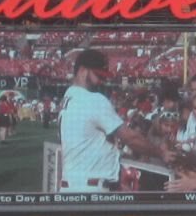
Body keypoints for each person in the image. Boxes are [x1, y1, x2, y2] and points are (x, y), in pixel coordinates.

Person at [60, 48, 165, 192]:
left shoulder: (68, 97)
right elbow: (131, 138)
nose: (101, 81)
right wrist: (161, 153)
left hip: (71, 186)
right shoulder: (93, 99)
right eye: (98, 75)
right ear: (83, 71)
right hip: (90, 188)